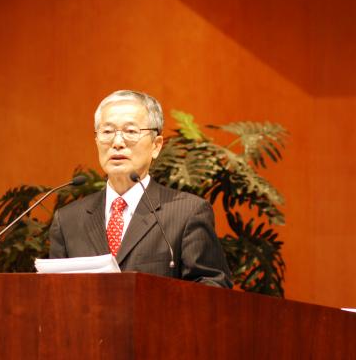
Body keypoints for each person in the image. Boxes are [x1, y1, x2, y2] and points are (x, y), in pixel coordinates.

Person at [49, 90, 232, 288]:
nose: (117, 143)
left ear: (156, 146)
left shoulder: (187, 213)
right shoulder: (68, 220)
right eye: (107, 132)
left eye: (130, 131)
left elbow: (212, 288)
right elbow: (54, 293)